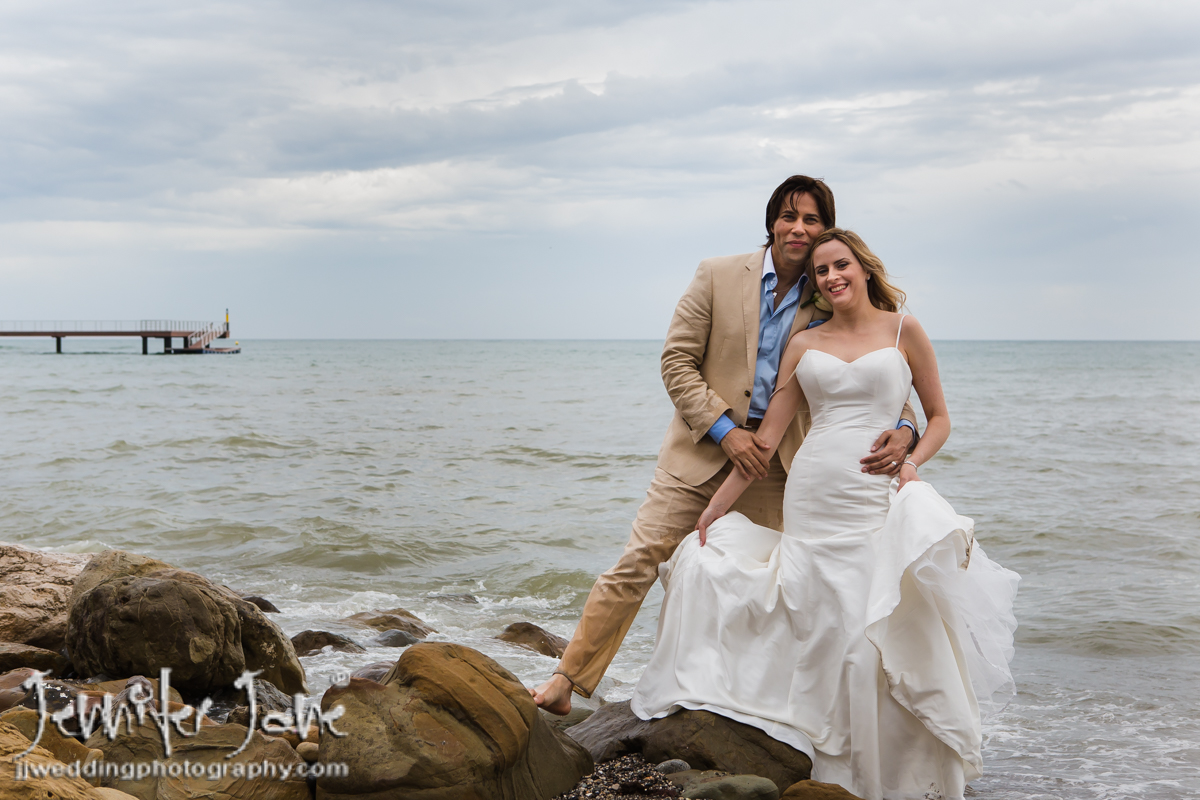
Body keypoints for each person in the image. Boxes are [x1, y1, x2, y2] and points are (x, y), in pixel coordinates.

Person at [629, 229, 1019, 800]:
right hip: (813, 493)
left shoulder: (904, 330)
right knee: (816, 613)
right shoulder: (804, 343)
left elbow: (938, 418)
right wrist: (714, 508)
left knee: (868, 628)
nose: (832, 277)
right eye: (821, 271)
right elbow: (766, 441)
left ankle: (887, 764)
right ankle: (814, 745)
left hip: (872, 495)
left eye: (841, 265)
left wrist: (911, 459)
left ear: (864, 268)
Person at [532, 176, 921, 716]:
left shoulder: (828, 293)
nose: (798, 228)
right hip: (701, 452)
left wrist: (906, 430)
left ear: (825, 231)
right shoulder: (716, 275)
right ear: (772, 223)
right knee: (639, 563)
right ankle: (567, 680)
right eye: (789, 216)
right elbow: (676, 362)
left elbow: (875, 373)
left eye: (811, 220)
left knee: (770, 585)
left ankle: (745, 703)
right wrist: (725, 430)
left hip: (780, 466)